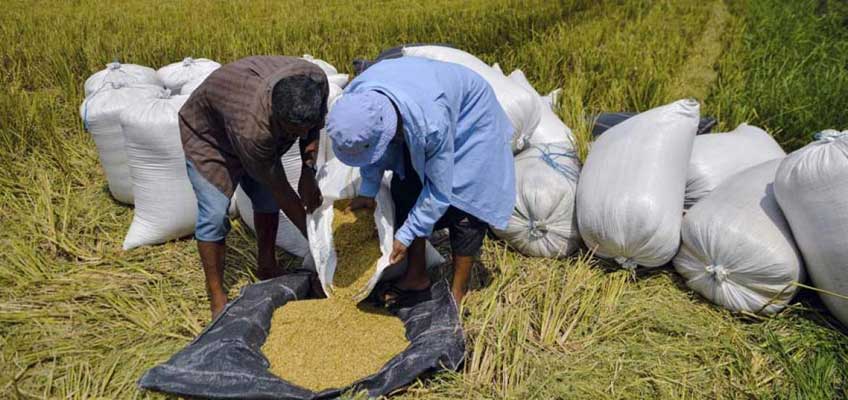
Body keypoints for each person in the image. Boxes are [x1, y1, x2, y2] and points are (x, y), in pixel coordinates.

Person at [325, 56, 515, 305]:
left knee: (466, 209)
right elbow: (371, 151)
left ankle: (458, 293)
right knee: (406, 187)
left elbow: (438, 192)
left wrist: (406, 234)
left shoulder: (431, 124)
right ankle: (416, 276)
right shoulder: (356, 98)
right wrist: (368, 191)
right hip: (418, 98)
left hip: (472, 119)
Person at [179, 56, 328, 318]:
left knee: (265, 200)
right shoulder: (254, 131)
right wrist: (320, 244)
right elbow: (282, 192)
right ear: (276, 117)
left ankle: (267, 266)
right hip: (210, 138)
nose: (301, 137)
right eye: (294, 131)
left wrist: (308, 170)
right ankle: (216, 296)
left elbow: (313, 128)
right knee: (214, 215)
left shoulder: (314, 81)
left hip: (241, 115)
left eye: (304, 129)